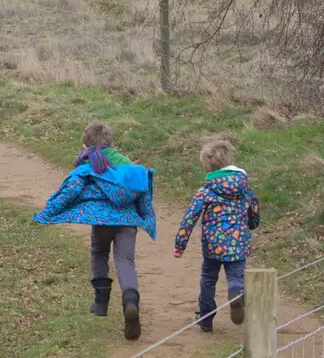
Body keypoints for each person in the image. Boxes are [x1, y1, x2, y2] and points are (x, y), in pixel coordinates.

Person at [34, 122, 156, 340]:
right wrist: (147, 219)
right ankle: (130, 302)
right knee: (125, 261)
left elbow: (68, 192)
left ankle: (100, 303)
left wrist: (46, 213)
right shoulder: (129, 167)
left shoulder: (88, 167)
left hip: (101, 223)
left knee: (99, 253)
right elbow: (143, 192)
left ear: (84, 145)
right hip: (127, 222)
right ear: (113, 144)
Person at [173, 137, 260, 333]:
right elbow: (254, 209)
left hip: (213, 245)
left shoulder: (206, 191)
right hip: (238, 242)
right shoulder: (244, 188)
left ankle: (205, 318)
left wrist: (180, 243)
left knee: (208, 278)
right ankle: (236, 292)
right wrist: (252, 224)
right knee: (236, 276)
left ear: (207, 166)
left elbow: (190, 217)